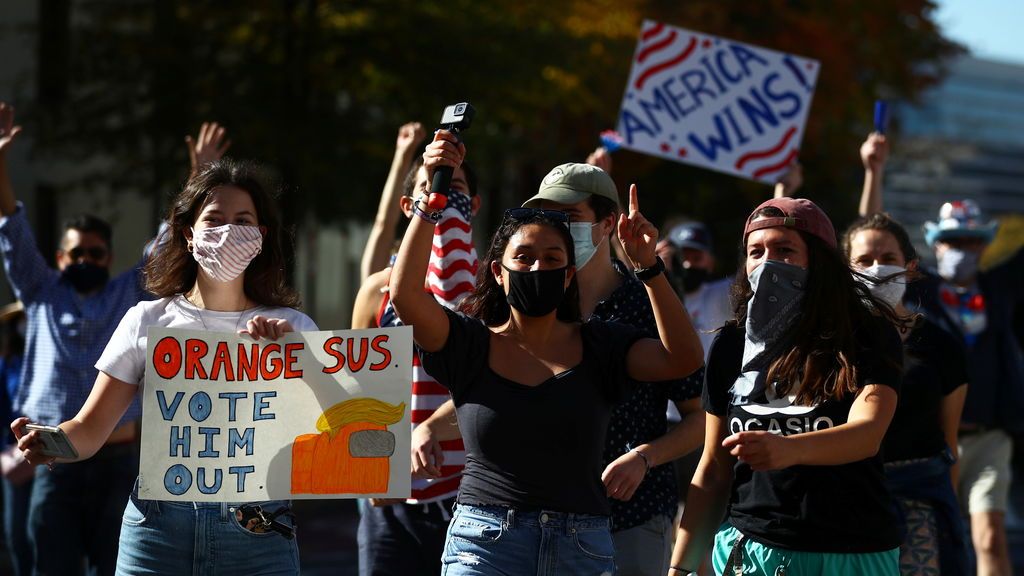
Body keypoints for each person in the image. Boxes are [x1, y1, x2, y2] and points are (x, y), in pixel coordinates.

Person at [391, 130, 703, 575]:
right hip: (486, 544)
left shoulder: (605, 342)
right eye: (526, 256)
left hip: (592, 541)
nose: (539, 267)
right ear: (498, 272)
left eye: (554, 258)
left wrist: (650, 270)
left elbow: (684, 362)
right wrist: (432, 199)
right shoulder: (472, 341)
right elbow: (406, 297)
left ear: (569, 275)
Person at [12, 158, 317, 574]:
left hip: (258, 536)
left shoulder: (294, 329)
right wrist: (48, 442)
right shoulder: (147, 321)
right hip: (157, 535)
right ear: (190, 235)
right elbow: (88, 429)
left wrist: (299, 361)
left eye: (243, 220)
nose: (229, 230)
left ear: (260, 236)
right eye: (215, 219)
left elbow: (327, 431)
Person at [670, 197, 905, 575]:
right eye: (755, 252)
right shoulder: (731, 345)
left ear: (820, 261)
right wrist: (679, 567)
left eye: (784, 250)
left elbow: (867, 434)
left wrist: (787, 449)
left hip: (855, 553)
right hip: (756, 551)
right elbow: (714, 468)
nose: (767, 263)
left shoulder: (868, 334)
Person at [858, 130, 1023, 576]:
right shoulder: (919, 290)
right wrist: (874, 171)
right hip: (929, 443)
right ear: (933, 246)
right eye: (951, 240)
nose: (961, 250)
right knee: (932, 548)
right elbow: (870, 239)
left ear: (985, 245)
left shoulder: (1001, 290)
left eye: (971, 241)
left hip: (987, 434)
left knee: (989, 536)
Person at [0, 101, 152, 575]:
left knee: (115, 567)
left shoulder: (130, 295)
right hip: (54, 463)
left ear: (109, 258)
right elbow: (11, 226)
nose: (86, 258)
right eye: (76, 252)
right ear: (61, 258)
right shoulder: (41, 290)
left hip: (118, 462)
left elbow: (172, 243)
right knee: (52, 565)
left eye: (96, 251)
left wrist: (199, 176)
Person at [352, 154, 480, 576]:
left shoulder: (489, 291)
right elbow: (361, 390)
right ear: (410, 207)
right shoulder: (377, 292)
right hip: (393, 505)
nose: (442, 198)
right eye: (432, 188)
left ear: (473, 206)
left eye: (454, 189)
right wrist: (373, 473)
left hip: (472, 499)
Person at [844, 212, 969, 574]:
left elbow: (949, 441)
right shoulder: (830, 343)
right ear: (846, 269)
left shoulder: (941, 345)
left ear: (910, 267)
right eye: (865, 260)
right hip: (847, 496)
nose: (877, 268)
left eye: (888, 259)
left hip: (920, 497)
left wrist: (951, 508)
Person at [359, 121, 426, 281]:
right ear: (407, 205)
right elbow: (383, 224)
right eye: (426, 187)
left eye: (455, 187)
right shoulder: (386, 277)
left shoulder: (474, 274)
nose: (440, 195)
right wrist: (403, 155)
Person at [0, 301, 32, 576]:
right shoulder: (7, 363)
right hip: (13, 457)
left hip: (48, 455)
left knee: (44, 532)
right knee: (17, 531)